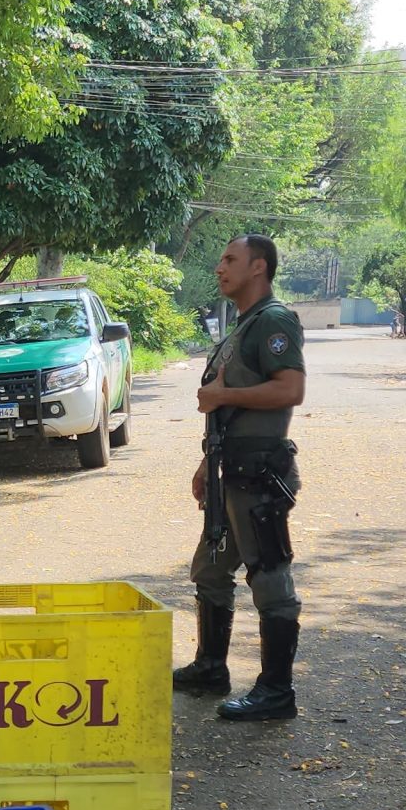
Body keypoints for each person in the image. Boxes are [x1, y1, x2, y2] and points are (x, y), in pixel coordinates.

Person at [174, 233, 305, 721]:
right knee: (209, 570)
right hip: (231, 471)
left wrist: (224, 398)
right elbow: (223, 404)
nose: (219, 267)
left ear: (259, 267)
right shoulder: (242, 326)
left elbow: (291, 389)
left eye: (230, 259)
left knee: (270, 578)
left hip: (259, 474)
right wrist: (208, 464)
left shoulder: (274, 321)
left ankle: (276, 692)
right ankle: (211, 666)